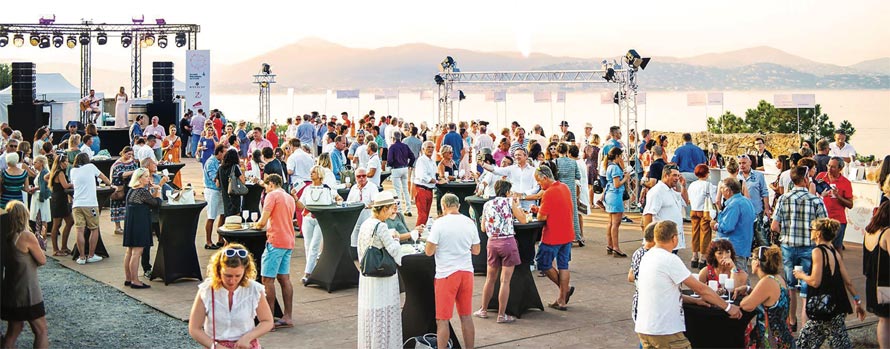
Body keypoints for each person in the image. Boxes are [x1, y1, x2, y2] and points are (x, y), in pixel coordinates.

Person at [636, 220, 741, 348]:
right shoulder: (670, 259)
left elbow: (662, 292)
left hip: (644, 328)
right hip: (664, 329)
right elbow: (701, 288)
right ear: (674, 238)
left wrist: (694, 301)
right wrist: (728, 308)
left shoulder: (647, 256)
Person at [771, 165, 828, 331]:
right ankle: (805, 327)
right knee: (806, 289)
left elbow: (774, 225)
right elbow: (824, 226)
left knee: (790, 286)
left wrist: (787, 233)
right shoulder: (815, 200)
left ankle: (792, 319)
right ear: (805, 179)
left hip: (788, 245)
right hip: (809, 247)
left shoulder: (783, 198)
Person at [792, 218, 865, 348]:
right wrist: (857, 301)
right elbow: (848, 281)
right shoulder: (833, 251)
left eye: (811, 229)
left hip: (824, 307)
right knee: (833, 341)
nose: (810, 232)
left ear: (818, 233)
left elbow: (815, 281)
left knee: (805, 342)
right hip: (836, 305)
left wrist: (801, 275)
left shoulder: (818, 251)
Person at [188, 244, 273, 348]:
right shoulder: (207, 290)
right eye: (227, 275)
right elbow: (194, 328)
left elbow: (267, 321)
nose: (232, 281)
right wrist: (215, 346)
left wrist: (248, 337)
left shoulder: (254, 289)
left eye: (238, 276)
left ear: (245, 271)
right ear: (218, 270)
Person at [425, 193, 480, 349]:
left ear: (443, 207)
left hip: (446, 275)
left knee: (442, 320)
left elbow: (429, 251)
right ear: (458, 206)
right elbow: (476, 250)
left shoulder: (439, 223)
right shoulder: (469, 222)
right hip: (466, 273)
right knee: (466, 316)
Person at [356, 190, 408, 348]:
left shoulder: (366, 224)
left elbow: (360, 249)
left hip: (367, 276)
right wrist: (397, 240)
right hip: (383, 278)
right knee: (384, 313)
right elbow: (394, 250)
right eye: (391, 208)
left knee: (371, 314)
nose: (392, 211)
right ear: (383, 209)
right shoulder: (381, 226)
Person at [474, 180, 527, 323]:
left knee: (490, 279)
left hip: (492, 242)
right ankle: (501, 315)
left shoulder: (487, 204)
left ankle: (483, 309)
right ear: (508, 192)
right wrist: (518, 206)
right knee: (505, 281)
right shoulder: (510, 202)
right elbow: (523, 220)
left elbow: (483, 228)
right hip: (508, 242)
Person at [1, 201, 48, 349]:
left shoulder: (6, 237)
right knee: (41, 331)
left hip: (11, 288)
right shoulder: (26, 236)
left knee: (13, 331)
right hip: (28, 291)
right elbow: (42, 260)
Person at [252, 174, 296, 330]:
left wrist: (256, 224)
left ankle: (268, 319)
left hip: (276, 240)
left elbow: (263, 221)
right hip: (288, 240)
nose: (265, 188)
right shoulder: (289, 197)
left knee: (267, 279)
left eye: (266, 185)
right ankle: (288, 316)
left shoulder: (272, 196)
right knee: (284, 278)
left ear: (271, 184)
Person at [532, 165, 577, 311]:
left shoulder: (549, 193)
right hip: (567, 233)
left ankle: (564, 292)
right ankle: (563, 298)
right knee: (564, 265)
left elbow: (542, 217)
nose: (539, 185)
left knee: (543, 263)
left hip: (553, 235)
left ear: (545, 177)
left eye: (539, 181)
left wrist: (538, 210)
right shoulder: (564, 187)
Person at [295, 165, 343, 284]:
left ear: (319, 174)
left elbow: (338, 197)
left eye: (314, 172)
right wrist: (295, 198)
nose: (311, 174)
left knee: (314, 246)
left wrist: (338, 201)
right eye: (311, 172)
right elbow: (301, 205)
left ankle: (308, 273)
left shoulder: (327, 189)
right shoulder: (307, 189)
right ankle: (312, 270)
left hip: (321, 219)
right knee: (308, 245)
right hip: (307, 218)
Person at [740, 245, 795, 349]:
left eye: (752, 258)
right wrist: (748, 289)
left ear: (757, 262)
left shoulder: (767, 281)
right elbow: (768, 298)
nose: (751, 262)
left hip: (772, 340)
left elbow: (746, 305)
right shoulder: (778, 278)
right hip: (783, 336)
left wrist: (744, 298)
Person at [70, 153, 115, 264]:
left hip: (77, 204)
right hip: (90, 203)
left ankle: (81, 257)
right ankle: (91, 255)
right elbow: (103, 177)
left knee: (79, 230)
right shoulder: (91, 167)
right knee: (94, 229)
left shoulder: (73, 170)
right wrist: (111, 184)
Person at [122, 168, 161, 289]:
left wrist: (152, 189)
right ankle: (135, 280)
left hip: (131, 222)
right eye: (146, 176)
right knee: (137, 252)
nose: (148, 178)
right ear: (139, 178)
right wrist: (158, 191)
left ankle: (128, 278)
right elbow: (156, 203)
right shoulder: (141, 192)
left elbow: (149, 200)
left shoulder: (132, 190)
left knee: (129, 251)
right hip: (139, 223)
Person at [643, 164, 689, 253]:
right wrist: (649, 240)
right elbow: (648, 214)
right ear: (666, 176)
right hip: (662, 240)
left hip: (673, 239)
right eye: (674, 175)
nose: (677, 178)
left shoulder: (672, 190)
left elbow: (685, 202)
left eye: (678, 176)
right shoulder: (657, 191)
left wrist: (683, 186)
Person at [713, 177, 756, 272]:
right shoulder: (746, 201)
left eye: (721, 189)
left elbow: (728, 226)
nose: (721, 192)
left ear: (728, 191)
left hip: (733, 246)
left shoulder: (734, 204)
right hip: (744, 244)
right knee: (741, 274)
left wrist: (715, 225)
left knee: (736, 275)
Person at [864, 201, 890, 348]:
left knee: (883, 320)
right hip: (886, 283)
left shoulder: (870, 231)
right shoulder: (887, 232)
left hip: (872, 282)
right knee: (886, 320)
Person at [815, 157, 854, 250]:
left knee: (837, 249)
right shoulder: (820, 176)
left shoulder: (846, 182)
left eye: (833, 167)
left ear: (840, 169)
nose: (829, 169)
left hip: (838, 221)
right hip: (821, 220)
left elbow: (850, 204)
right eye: (828, 165)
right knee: (819, 248)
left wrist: (838, 196)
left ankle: (837, 264)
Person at [738, 154, 771, 248]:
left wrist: (767, 208)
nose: (742, 165)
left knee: (761, 238)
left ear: (750, 163)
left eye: (744, 163)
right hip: (741, 212)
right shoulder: (737, 177)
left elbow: (764, 192)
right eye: (740, 163)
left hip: (756, 210)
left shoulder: (758, 175)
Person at [604, 147, 633, 256]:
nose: (621, 158)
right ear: (617, 156)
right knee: (616, 223)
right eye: (620, 156)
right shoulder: (615, 168)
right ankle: (616, 247)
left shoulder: (609, 166)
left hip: (610, 195)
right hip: (615, 196)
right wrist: (626, 177)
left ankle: (610, 245)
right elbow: (617, 184)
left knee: (611, 222)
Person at [687, 164, 716, 269]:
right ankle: (702, 258)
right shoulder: (708, 185)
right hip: (705, 211)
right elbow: (714, 199)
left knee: (695, 232)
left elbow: (689, 198)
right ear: (706, 173)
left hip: (694, 210)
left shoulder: (692, 185)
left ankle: (694, 256)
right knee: (705, 234)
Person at [554, 143, 582, 245]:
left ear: (557, 151)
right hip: (571, 189)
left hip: (559, 190)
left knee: (559, 213)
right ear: (567, 151)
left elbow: (554, 177)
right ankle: (576, 236)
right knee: (573, 213)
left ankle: (561, 235)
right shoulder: (573, 162)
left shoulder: (555, 162)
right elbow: (578, 176)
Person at [628, 223, 657, 323]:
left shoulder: (638, 252)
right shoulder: (653, 256)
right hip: (649, 306)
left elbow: (631, 276)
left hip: (640, 303)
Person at [203, 144, 227, 249]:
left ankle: (220, 239)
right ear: (220, 153)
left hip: (220, 191)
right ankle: (208, 241)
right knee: (211, 216)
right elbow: (214, 178)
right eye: (225, 153)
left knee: (222, 214)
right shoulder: (211, 162)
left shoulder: (220, 162)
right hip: (212, 191)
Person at [110, 147, 139, 234]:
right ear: (123, 153)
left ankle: (129, 226)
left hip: (130, 187)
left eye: (131, 154)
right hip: (120, 187)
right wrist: (134, 172)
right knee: (117, 206)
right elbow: (121, 174)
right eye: (128, 154)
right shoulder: (118, 164)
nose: (130, 156)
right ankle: (117, 227)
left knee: (129, 207)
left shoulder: (132, 161)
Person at [413, 141, 441, 226]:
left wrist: (440, 178)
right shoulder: (421, 160)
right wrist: (437, 181)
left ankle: (421, 232)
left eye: (432, 147)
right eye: (428, 147)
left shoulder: (431, 161)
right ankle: (417, 234)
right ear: (423, 149)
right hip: (421, 189)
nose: (430, 149)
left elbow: (435, 175)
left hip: (429, 190)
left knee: (426, 215)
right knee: (422, 215)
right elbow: (423, 176)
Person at [387, 131, 415, 216]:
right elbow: (412, 157)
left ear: (393, 138)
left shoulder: (392, 147)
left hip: (396, 169)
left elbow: (390, 160)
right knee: (405, 190)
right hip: (405, 168)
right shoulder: (405, 146)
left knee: (397, 190)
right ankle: (408, 208)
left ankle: (399, 210)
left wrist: (391, 165)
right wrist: (409, 165)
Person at [216, 149, 245, 217]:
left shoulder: (220, 168)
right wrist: (243, 169)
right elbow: (243, 181)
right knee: (236, 216)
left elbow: (217, 184)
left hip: (225, 196)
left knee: (228, 216)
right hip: (234, 195)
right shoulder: (235, 167)